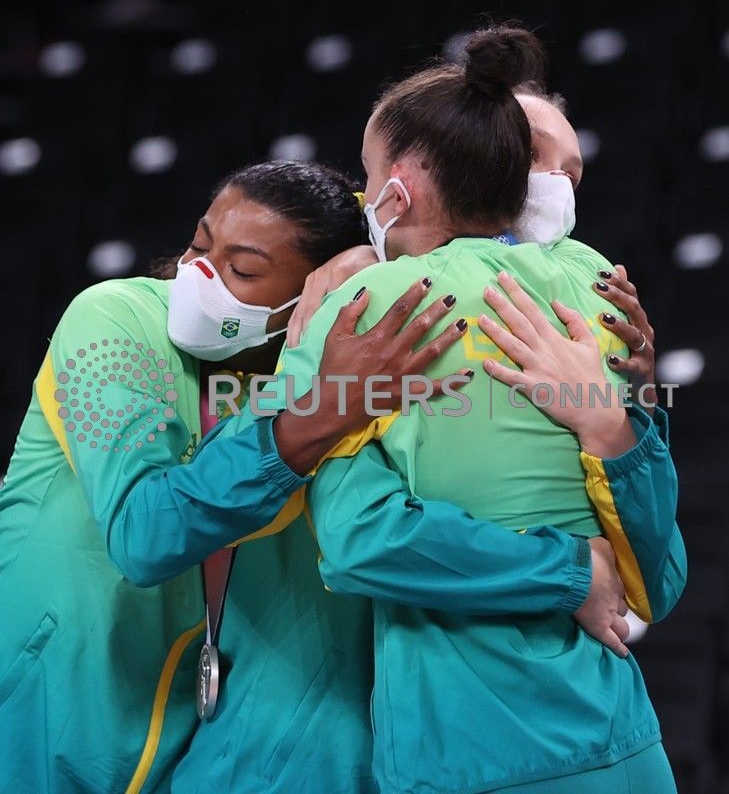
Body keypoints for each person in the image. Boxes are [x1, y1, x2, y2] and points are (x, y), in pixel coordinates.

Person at [245, 28, 684, 793]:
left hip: (469, 756)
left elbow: (354, 538)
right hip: (623, 743)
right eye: (538, 157)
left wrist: (612, 428)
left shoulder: (356, 309)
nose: (554, 184)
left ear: (401, 183)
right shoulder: (596, 284)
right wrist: (612, 429)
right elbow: (659, 578)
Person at [0, 159, 471, 793]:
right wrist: (312, 416)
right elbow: (143, 534)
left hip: (188, 744)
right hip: (38, 717)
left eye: (241, 270)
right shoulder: (111, 321)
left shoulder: (315, 377)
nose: (199, 276)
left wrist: (369, 265)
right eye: (200, 246)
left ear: (309, 295)